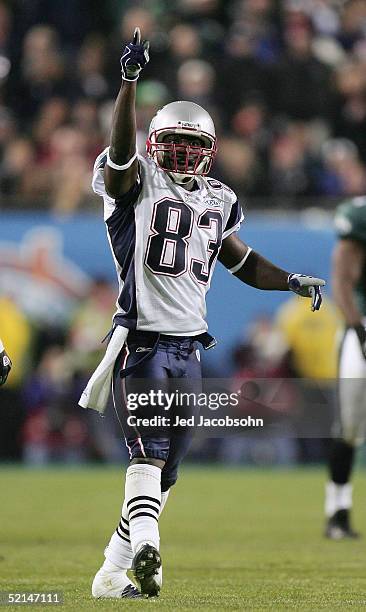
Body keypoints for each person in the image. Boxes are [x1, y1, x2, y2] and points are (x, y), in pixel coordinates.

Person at [80, 28, 325, 599]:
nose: (184, 153)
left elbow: (240, 262)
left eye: (194, 144)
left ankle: (110, 574)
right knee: (146, 455)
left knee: (167, 472)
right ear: (155, 143)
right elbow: (118, 159)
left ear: (209, 150)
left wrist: (288, 279)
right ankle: (149, 553)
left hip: (189, 350)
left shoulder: (219, 199)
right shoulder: (137, 182)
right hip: (139, 342)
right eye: (173, 142)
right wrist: (128, 83)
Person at [324, 196, 366, 539]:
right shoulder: (358, 217)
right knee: (350, 424)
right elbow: (342, 277)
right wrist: (357, 326)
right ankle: (337, 509)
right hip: (362, 326)